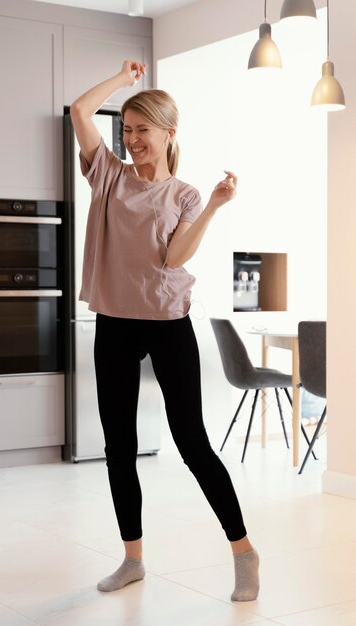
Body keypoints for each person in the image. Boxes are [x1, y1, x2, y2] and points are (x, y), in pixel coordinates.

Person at [70, 59, 259, 602]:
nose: (132, 141)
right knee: (119, 447)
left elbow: (174, 257)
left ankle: (244, 554)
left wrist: (216, 208)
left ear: (168, 133)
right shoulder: (106, 174)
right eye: (126, 131)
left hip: (168, 325)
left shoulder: (186, 196)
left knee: (192, 442)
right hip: (115, 324)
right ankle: (132, 560)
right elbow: (81, 110)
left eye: (142, 131)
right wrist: (122, 82)